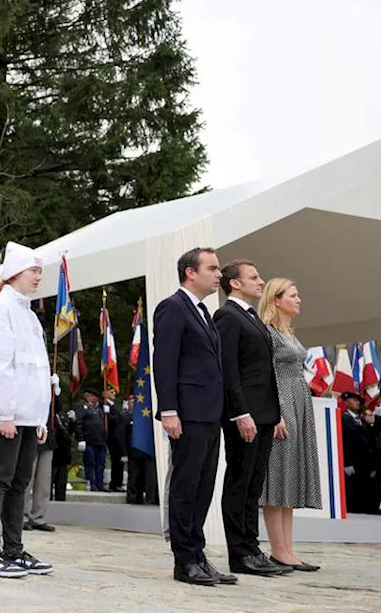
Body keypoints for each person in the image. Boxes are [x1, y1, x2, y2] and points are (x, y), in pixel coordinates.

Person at [152, 247, 235, 587]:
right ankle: (184, 560)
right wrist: (169, 410)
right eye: (213, 269)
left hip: (209, 414)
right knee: (186, 486)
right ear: (190, 272)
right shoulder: (173, 308)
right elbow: (165, 362)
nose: (219, 275)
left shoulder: (203, 311)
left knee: (203, 487)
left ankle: (198, 554)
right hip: (186, 414)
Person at [0, 244, 53, 579]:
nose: (38, 277)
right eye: (33, 271)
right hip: (5, 416)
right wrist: (6, 413)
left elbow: (37, 369)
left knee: (19, 483)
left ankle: (13, 550)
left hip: (28, 417)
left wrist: (40, 417)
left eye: (39, 272)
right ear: (15, 272)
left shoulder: (28, 313)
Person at [214, 260, 287, 577]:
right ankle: (239, 553)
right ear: (234, 283)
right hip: (245, 415)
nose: (261, 281)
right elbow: (229, 370)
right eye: (254, 277)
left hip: (264, 414)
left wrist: (276, 413)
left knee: (254, 486)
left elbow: (263, 371)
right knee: (240, 482)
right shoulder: (227, 316)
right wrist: (240, 412)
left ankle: (252, 548)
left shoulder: (251, 317)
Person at [257, 278, 321, 571]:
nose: (299, 300)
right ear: (276, 300)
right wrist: (275, 414)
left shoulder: (288, 332)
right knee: (278, 477)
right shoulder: (268, 333)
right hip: (282, 403)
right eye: (293, 295)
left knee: (290, 476)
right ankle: (278, 549)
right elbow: (265, 376)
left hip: (298, 401)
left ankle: (287, 549)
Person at [23, 373, 62, 531]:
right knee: (26, 480)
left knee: (44, 482)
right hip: (31, 436)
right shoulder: (27, 386)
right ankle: (22, 516)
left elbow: (56, 410)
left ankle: (38, 517)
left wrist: (56, 392)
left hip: (47, 439)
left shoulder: (49, 389)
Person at [339, 391, 376, 515]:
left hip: (363, 463)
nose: (357, 403)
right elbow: (344, 442)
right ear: (346, 402)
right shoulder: (343, 418)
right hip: (351, 462)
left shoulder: (362, 420)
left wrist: (371, 424)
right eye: (354, 400)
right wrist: (346, 463)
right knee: (350, 494)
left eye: (358, 401)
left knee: (362, 494)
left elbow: (369, 442)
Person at [71, 389, 107, 491]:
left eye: (95, 396)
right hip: (89, 440)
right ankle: (91, 483)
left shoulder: (99, 409)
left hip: (100, 441)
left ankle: (100, 483)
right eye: (92, 396)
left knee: (101, 464)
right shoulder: (82, 407)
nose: (95, 398)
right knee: (90, 463)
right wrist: (80, 438)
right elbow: (78, 423)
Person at [105, 389, 128, 492]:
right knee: (115, 462)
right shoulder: (104, 405)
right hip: (111, 438)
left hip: (118, 439)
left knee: (119, 463)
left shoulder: (115, 406)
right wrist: (108, 414)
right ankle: (114, 484)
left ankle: (118, 483)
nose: (113, 394)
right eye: (111, 392)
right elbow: (111, 421)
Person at [50, 408, 72, 502]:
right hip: (53, 454)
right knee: (49, 480)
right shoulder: (50, 416)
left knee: (61, 482)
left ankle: (61, 499)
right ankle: (48, 499)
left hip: (63, 455)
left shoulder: (63, 415)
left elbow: (69, 433)